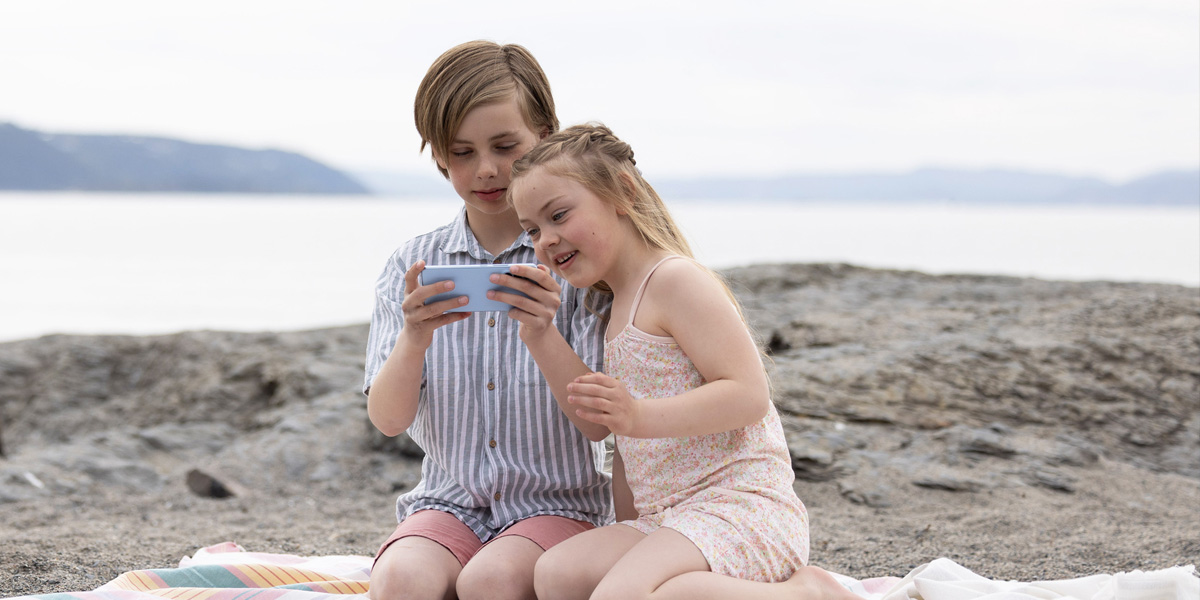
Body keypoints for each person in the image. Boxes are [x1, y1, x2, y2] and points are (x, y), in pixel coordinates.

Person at [499, 123, 862, 600]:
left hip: (739, 508)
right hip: (667, 518)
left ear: (621, 193)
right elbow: (612, 436)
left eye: (559, 215)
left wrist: (638, 415)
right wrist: (539, 333)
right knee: (557, 573)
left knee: (636, 594)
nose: (545, 239)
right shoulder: (612, 307)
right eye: (532, 230)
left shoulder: (675, 281)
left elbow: (750, 395)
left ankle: (809, 593)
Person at [363, 42, 612, 600]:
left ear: (546, 134)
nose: (488, 169)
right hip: (447, 503)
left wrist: (544, 334)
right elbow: (386, 419)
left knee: (491, 582)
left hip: (559, 505)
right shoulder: (411, 265)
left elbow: (599, 426)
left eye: (506, 145)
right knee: (399, 581)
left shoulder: (572, 262)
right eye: (463, 152)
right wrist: (414, 339)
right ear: (439, 156)